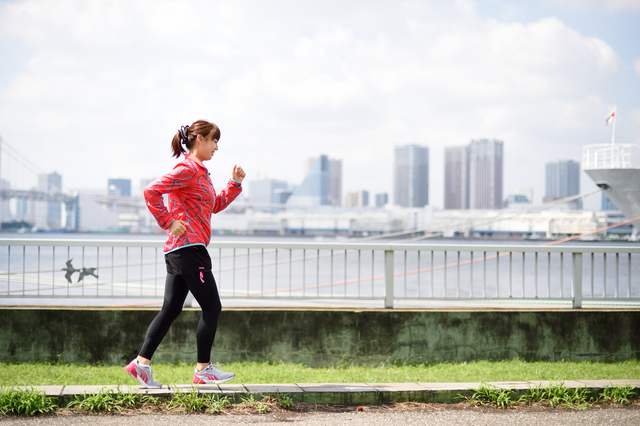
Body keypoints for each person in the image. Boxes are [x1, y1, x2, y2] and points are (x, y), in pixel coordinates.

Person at [125, 119, 245, 388]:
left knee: (170, 309)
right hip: (188, 249)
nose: (216, 147)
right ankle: (203, 369)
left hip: (183, 249)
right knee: (212, 307)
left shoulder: (201, 173)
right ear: (199, 139)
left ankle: (141, 364)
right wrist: (167, 220)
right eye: (214, 140)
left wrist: (235, 183)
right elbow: (151, 191)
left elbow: (214, 205)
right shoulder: (187, 168)